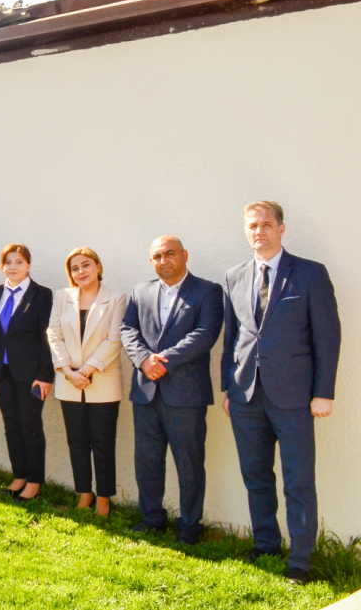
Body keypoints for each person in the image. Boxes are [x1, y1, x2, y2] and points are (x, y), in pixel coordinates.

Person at [222, 201, 340, 585]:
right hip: (245, 396)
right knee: (256, 476)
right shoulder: (234, 276)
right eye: (253, 226)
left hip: (294, 398)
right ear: (246, 231)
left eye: (266, 224)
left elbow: (328, 337)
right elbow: (232, 338)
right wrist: (228, 387)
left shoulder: (309, 273)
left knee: (298, 481)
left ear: (281, 228)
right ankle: (266, 544)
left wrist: (323, 392)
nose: (259, 231)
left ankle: (300, 560)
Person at [121, 236, 222, 545]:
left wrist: (163, 361)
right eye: (157, 256)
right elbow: (128, 329)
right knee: (147, 461)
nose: (163, 260)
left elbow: (205, 333)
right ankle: (151, 516)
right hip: (146, 391)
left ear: (184, 255)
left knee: (189, 463)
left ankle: (190, 525)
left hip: (186, 394)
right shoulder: (140, 291)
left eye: (169, 253)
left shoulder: (208, 291)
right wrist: (143, 360)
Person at [47, 247, 127, 516]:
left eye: (86, 265)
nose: (81, 271)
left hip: (102, 381)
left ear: (98, 267)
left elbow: (114, 339)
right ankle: (84, 492)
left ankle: (104, 497)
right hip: (69, 381)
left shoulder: (116, 298)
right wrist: (68, 371)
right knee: (77, 441)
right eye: (75, 268)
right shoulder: (62, 297)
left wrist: (87, 369)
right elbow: (53, 334)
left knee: (103, 443)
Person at [0, 244, 54, 501]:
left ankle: (34, 482)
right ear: (2, 266)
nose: (13, 267)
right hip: (0, 372)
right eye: (8, 262)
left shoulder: (41, 294)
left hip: (31, 374)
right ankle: (20, 476)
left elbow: (47, 336)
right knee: (11, 425)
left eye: (19, 262)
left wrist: (45, 375)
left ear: (28, 266)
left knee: (30, 425)